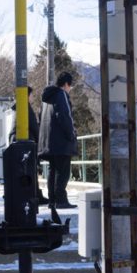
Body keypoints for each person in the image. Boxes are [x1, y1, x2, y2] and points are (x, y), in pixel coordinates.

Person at [39, 72, 78, 209]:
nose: (69, 89)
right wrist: (72, 134)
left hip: (48, 141)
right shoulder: (61, 95)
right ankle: (61, 200)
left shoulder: (46, 99)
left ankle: (52, 201)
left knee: (53, 170)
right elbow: (65, 116)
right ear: (66, 84)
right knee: (63, 172)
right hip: (61, 141)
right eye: (70, 86)